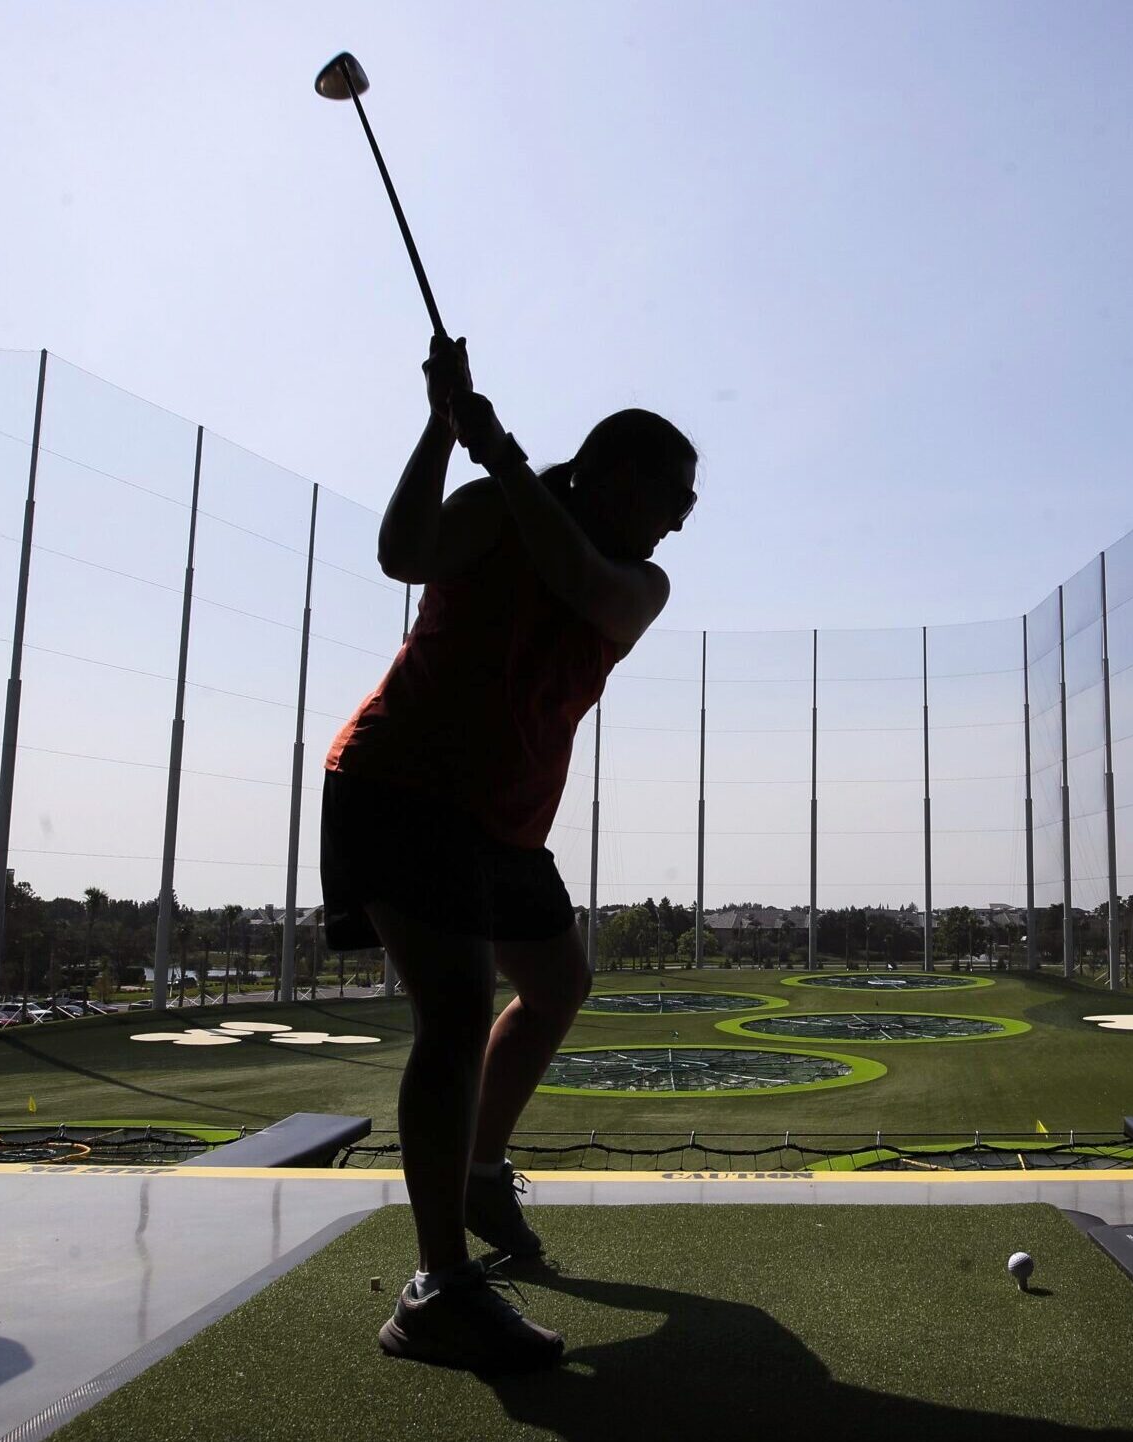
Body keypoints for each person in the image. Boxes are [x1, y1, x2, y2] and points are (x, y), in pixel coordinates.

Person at [320, 335, 697, 1373]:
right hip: (398, 781)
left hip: (499, 819)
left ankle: (477, 1166)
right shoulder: (492, 508)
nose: (681, 519)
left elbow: (577, 576)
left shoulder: (639, 579)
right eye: (675, 494)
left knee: (558, 979)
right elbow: (401, 551)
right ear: (617, 476)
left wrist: (503, 455)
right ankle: (438, 1286)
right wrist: (444, 431)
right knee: (453, 1008)